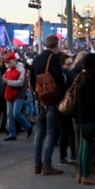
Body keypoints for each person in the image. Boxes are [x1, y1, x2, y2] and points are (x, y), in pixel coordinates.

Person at [29, 34, 66, 175]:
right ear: (57, 45)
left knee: (39, 132)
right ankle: (47, 165)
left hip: (40, 99)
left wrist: (38, 93)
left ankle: (37, 165)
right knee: (51, 132)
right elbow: (58, 79)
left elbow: (32, 79)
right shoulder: (54, 58)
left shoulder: (37, 58)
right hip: (52, 99)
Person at [72, 52, 95, 185]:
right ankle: (86, 174)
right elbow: (93, 102)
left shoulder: (80, 77)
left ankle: (80, 172)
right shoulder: (89, 79)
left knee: (81, 145)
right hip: (88, 117)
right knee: (87, 145)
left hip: (78, 116)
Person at [2, 51, 32, 140]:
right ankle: (12, 133)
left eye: (9, 61)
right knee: (9, 114)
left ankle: (28, 126)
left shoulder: (21, 69)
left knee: (16, 113)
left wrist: (7, 82)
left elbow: (20, 83)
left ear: (14, 61)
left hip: (18, 94)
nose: (7, 64)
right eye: (7, 62)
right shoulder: (8, 70)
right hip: (9, 94)